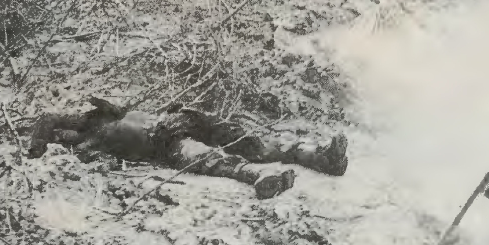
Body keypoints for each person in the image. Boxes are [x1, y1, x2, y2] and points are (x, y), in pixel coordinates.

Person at [27, 98, 349, 199]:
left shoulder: (94, 118)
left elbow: (48, 116)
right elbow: (100, 165)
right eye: (63, 138)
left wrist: (37, 143)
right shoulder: (91, 148)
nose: (65, 136)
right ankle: (260, 177)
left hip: (181, 119)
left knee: (250, 140)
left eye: (63, 134)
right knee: (208, 158)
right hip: (164, 143)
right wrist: (50, 146)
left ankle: (320, 156)